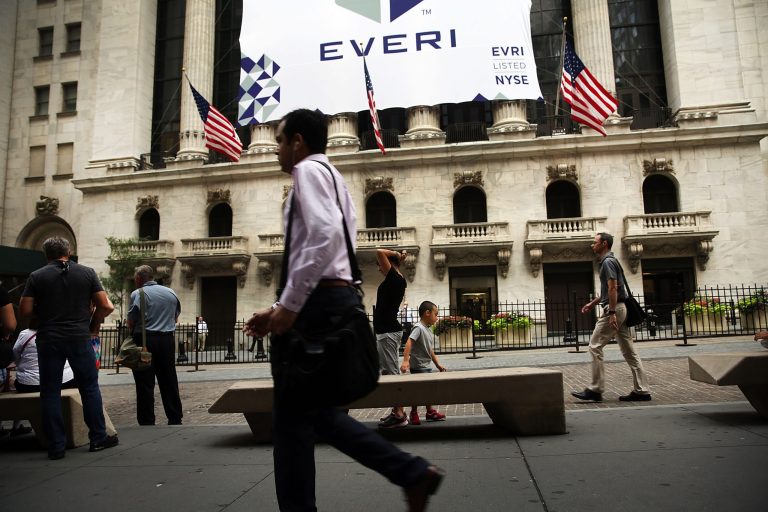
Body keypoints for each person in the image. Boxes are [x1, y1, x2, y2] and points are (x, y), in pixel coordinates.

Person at [244, 108, 444, 512]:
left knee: (298, 419)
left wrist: (289, 306)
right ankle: (408, 472)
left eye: (280, 140)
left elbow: (322, 236)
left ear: (298, 141)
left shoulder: (307, 173)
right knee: (299, 419)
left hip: (316, 305)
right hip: (330, 299)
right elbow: (334, 246)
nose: (276, 149)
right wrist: (279, 308)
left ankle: (409, 470)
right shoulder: (335, 178)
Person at [19, 236, 118, 460]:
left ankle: (56, 446)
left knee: (50, 391)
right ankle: (98, 438)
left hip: (48, 338)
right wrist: (93, 326)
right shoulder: (86, 273)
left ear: (46, 255)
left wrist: (43, 315)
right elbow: (104, 306)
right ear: (69, 251)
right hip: (79, 337)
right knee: (89, 387)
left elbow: (24, 311)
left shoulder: (36, 276)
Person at [571, 232, 652, 402]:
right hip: (620, 308)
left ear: (604, 244)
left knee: (594, 346)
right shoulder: (612, 261)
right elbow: (611, 289)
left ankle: (595, 389)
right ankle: (642, 390)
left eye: (595, 242)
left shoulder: (607, 262)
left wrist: (612, 313)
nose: (592, 245)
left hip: (614, 310)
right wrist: (592, 304)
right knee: (629, 350)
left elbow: (613, 288)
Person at [127, 265, 183, 426]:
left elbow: (131, 322)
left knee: (144, 382)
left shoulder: (138, 294)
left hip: (145, 342)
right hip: (167, 340)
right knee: (169, 379)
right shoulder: (171, 292)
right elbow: (175, 318)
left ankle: (146, 420)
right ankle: (175, 417)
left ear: (138, 278)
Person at [374, 248, 410, 429]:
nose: (379, 268)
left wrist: (396, 255)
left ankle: (399, 414)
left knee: (391, 373)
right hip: (386, 331)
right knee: (389, 371)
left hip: (387, 332)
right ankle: (397, 411)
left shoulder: (394, 278)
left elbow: (379, 251)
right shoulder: (396, 279)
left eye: (380, 265)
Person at [400, 301, 447, 425]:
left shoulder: (427, 329)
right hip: (418, 366)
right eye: (436, 314)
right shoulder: (419, 327)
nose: (437, 318)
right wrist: (405, 360)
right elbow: (409, 342)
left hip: (426, 365)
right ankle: (414, 412)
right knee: (418, 390)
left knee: (427, 389)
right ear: (427, 313)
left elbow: (429, 349)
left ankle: (429, 411)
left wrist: (437, 364)